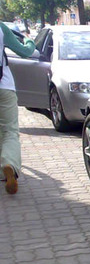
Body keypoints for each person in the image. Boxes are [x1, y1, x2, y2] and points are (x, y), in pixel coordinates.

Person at [0, 21, 36, 194]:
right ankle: (9, 165)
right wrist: (29, 40)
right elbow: (25, 52)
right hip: (4, 87)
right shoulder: (1, 27)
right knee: (10, 131)